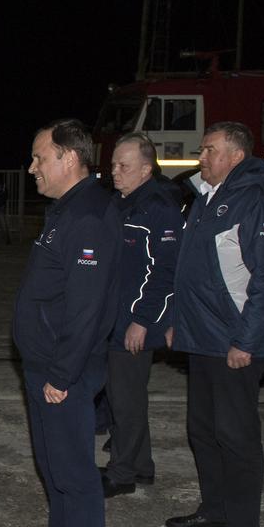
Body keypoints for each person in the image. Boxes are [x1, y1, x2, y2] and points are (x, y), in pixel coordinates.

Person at [9, 119, 120, 527]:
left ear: (68, 158)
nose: (32, 167)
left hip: (63, 370)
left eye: (39, 157)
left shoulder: (89, 217)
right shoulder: (66, 211)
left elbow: (86, 308)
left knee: (75, 475)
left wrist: (63, 374)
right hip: (45, 364)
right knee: (54, 470)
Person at [166, 122, 264, 527]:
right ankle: (214, 511)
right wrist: (180, 321)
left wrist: (247, 341)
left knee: (236, 437)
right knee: (203, 429)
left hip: (234, 341)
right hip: (202, 337)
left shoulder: (257, 200)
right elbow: (191, 270)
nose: (202, 158)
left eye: (210, 150)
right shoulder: (204, 198)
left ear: (236, 155)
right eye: (203, 150)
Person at [101, 133, 182, 497]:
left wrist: (144, 321)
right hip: (117, 317)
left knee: (125, 399)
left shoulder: (158, 207)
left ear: (146, 169)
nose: (115, 172)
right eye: (114, 164)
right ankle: (141, 465)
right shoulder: (122, 203)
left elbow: (166, 272)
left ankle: (121, 474)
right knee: (127, 395)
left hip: (133, 321)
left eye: (124, 166)